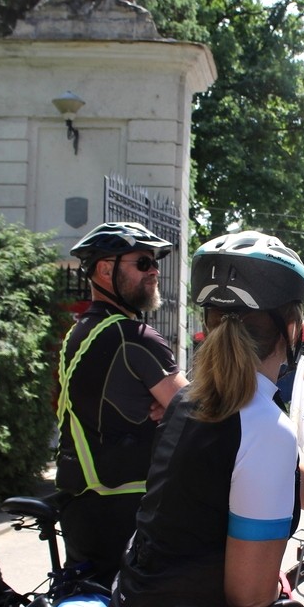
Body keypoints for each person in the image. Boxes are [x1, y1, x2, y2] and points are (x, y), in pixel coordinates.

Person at [109, 231, 304, 607]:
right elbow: (249, 597)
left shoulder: (190, 399)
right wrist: (278, 586)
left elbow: (265, 472)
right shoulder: (264, 427)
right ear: (292, 329)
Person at [55, 222, 187, 588]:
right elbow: (199, 416)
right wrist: (175, 410)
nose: (155, 271)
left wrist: (166, 410)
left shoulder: (79, 333)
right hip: (125, 510)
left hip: (84, 506)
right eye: (143, 262)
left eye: (155, 263)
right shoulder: (134, 338)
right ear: (104, 269)